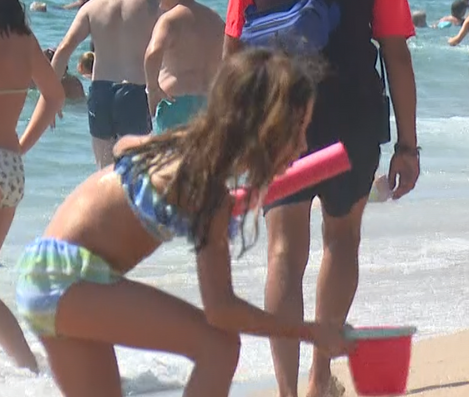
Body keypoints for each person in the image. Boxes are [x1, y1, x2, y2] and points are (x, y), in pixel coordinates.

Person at [13, 49, 353, 396]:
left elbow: (122, 148)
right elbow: (221, 310)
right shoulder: (205, 189)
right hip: (68, 280)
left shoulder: (177, 145)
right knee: (219, 348)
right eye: (297, 131)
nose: (303, 145)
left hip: (45, 274)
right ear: (263, 127)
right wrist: (310, 331)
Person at [223, 0, 420, 397]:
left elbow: (234, 49)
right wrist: (408, 144)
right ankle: (318, 378)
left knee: (284, 250)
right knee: (342, 241)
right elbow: (397, 54)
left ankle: (286, 390)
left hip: (278, 114)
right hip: (354, 114)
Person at [0, 0, 65, 371]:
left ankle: (31, 370)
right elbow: (55, 96)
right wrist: (20, 144)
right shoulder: (24, 41)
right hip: (10, 170)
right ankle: (29, 370)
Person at [51, 0, 159, 168]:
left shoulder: (92, 6)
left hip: (101, 93)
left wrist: (51, 97)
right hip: (134, 92)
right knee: (135, 170)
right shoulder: (150, 2)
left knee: (104, 170)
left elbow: (63, 50)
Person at [144, 0, 225, 133]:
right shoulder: (215, 19)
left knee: (168, 158)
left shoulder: (169, 20)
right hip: (206, 104)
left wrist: (152, 89)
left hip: (175, 103)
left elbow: (152, 54)